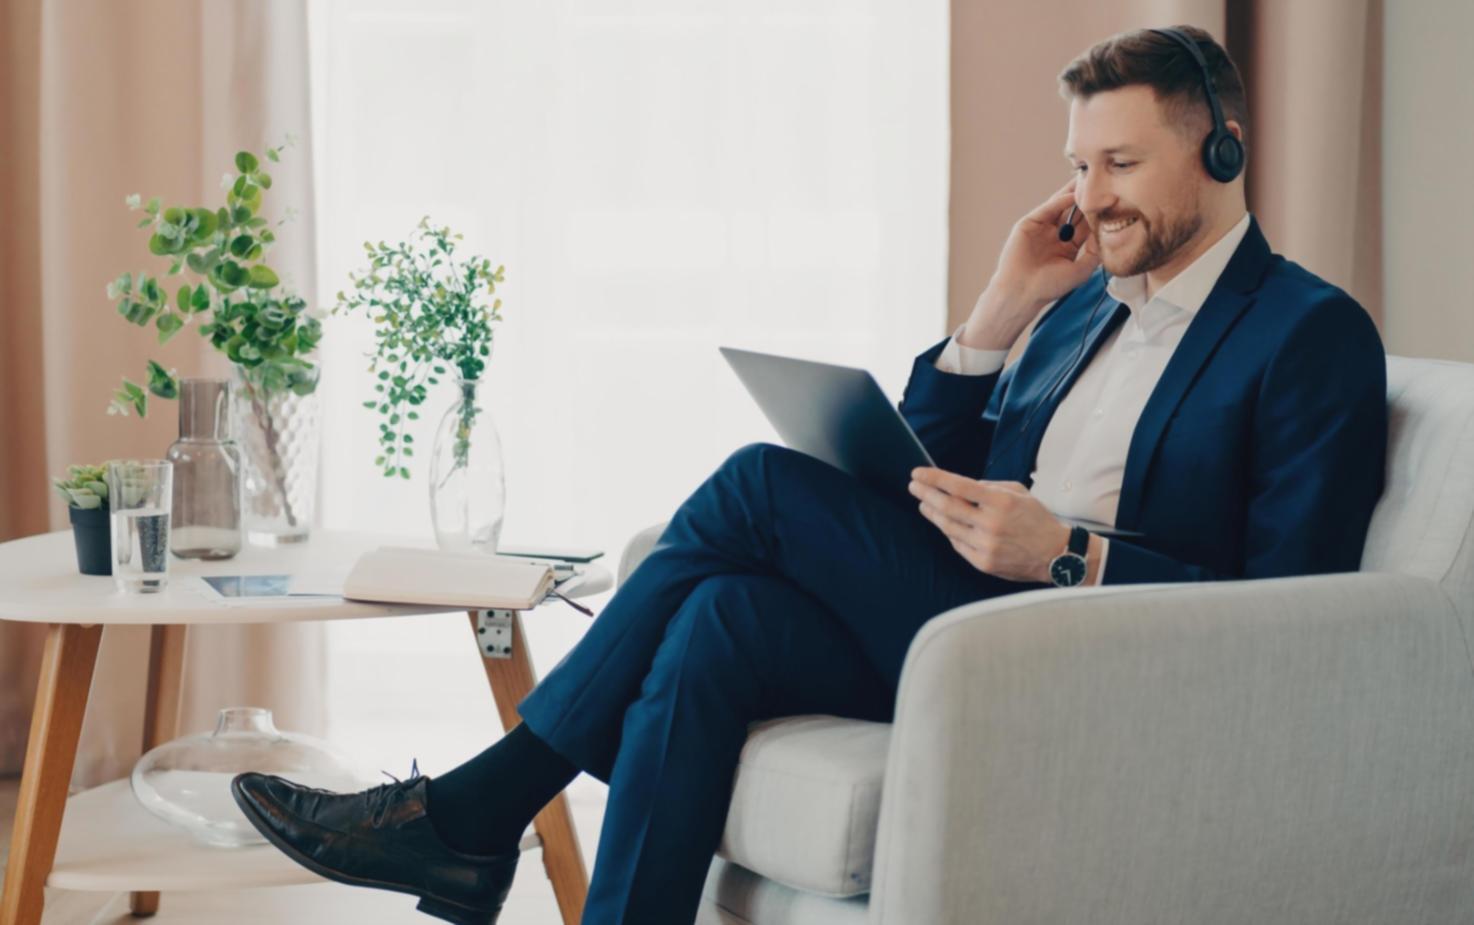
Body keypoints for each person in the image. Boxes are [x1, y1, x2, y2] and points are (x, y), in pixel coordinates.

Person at [230, 24, 1386, 925]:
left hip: (1096, 661)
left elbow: (1301, 613)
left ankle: (474, 811)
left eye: (1122, 163)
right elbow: (927, 472)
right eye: (1079, 165)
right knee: (718, 621)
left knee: (755, 483)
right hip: (974, 619)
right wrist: (997, 310)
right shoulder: (1079, 307)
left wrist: (1068, 555)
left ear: (1222, 148)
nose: (1090, 197)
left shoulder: (1307, 333)